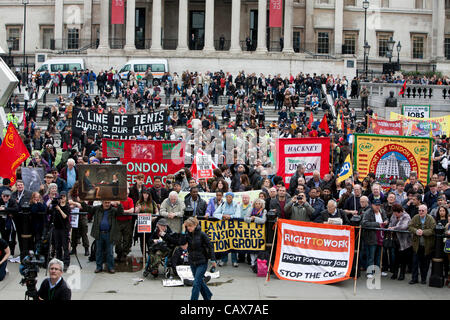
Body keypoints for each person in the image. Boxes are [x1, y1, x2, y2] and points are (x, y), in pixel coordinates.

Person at [82, 200, 124, 273]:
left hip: (109, 234)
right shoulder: (97, 208)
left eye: (108, 203)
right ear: (102, 202)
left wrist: (119, 204)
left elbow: (120, 213)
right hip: (99, 233)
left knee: (110, 252)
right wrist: (82, 202)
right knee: (99, 251)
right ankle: (99, 267)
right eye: (105, 203)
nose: (107, 204)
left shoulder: (113, 210)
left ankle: (111, 267)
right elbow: (88, 209)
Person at [184, 217, 216, 300]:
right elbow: (181, 242)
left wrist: (213, 260)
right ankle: (208, 295)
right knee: (199, 281)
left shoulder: (202, 234)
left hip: (202, 262)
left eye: (190, 226)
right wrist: (183, 231)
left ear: (195, 225)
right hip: (192, 261)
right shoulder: (187, 234)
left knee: (196, 284)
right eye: (187, 226)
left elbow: (210, 247)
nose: (189, 228)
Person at [408, 204, 435, 284]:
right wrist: (416, 231)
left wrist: (423, 232)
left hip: (427, 245)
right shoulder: (415, 217)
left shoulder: (430, 219)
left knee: (425, 264)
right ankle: (414, 278)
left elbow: (432, 230)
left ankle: (423, 279)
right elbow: (410, 226)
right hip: (417, 245)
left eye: (423, 210)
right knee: (415, 263)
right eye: (419, 210)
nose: (421, 212)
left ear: (426, 211)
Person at [361, 198, 388, 279]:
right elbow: (364, 223)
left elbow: (386, 218)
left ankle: (377, 270)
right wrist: (377, 224)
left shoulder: (382, 211)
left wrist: (386, 221)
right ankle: (370, 271)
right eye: (376, 205)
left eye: (379, 205)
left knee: (379, 255)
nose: (378, 206)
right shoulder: (368, 212)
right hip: (371, 237)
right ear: (372, 205)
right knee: (371, 256)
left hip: (380, 237)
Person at [213, 192, 241, 267]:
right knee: (224, 242)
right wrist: (222, 216)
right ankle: (223, 260)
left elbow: (238, 215)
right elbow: (215, 213)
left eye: (230, 197)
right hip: (224, 227)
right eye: (227, 197)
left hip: (233, 227)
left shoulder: (236, 205)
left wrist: (230, 216)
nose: (228, 198)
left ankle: (234, 261)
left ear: (232, 198)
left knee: (233, 243)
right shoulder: (223, 204)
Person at [388, 203, 412, 281]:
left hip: (404, 241)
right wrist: (391, 226)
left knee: (403, 259)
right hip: (395, 240)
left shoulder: (406, 216)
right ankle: (395, 273)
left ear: (400, 211)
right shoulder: (394, 215)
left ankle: (402, 274)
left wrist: (393, 228)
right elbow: (391, 223)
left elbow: (403, 226)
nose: (395, 214)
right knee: (396, 258)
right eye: (394, 213)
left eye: (396, 213)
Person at [243, 198, 267, 273]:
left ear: (261, 205)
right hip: (251, 232)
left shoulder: (264, 211)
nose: (257, 205)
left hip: (260, 232)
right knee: (252, 247)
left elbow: (263, 220)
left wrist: (255, 218)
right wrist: (251, 219)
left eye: (259, 204)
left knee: (258, 247)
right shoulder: (251, 209)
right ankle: (252, 263)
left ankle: (257, 262)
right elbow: (245, 218)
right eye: (256, 203)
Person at [51, 191, 71, 271]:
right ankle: (59, 261)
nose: (62, 199)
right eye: (61, 197)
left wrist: (59, 209)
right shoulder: (56, 205)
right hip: (56, 228)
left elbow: (65, 216)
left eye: (64, 197)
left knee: (65, 246)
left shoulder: (66, 206)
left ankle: (66, 262)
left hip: (64, 228)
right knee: (57, 246)